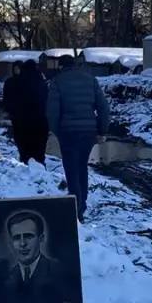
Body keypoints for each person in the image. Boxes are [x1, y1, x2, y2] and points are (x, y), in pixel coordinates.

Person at [46, 53, 109, 223]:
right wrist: (102, 131)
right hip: (88, 131)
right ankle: (82, 204)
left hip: (68, 132)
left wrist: (57, 131)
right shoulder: (90, 80)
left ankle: (76, 209)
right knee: (82, 167)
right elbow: (103, 107)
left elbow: (52, 112)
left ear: (61, 66)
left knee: (71, 170)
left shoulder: (57, 82)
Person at [4, 209, 66, 298]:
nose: (22, 244)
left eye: (28, 236)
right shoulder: (6, 277)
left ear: (41, 238)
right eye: (17, 238)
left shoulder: (59, 272)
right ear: (11, 242)